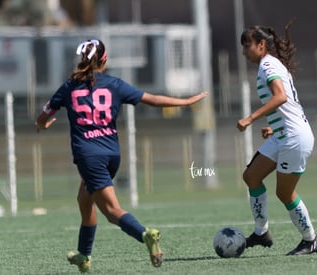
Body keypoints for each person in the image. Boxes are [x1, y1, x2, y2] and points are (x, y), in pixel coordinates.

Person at [35, 39, 208, 272]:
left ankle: (145, 234)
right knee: (84, 199)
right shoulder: (115, 84)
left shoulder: (69, 87)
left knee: (112, 211)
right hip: (112, 154)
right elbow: (153, 100)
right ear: (104, 60)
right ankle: (84, 255)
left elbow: (44, 115)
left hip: (89, 155)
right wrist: (186, 101)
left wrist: (42, 125)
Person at [237, 22, 317, 255]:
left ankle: (311, 240)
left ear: (261, 45)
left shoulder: (267, 65)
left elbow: (281, 97)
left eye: (247, 46)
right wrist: (274, 128)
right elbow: (289, 105)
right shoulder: (269, 64)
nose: (244, 51)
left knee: (284, 193)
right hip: (284, 134)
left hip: (294, 138)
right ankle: (261, 232)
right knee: (251, 176)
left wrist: (250, 118)